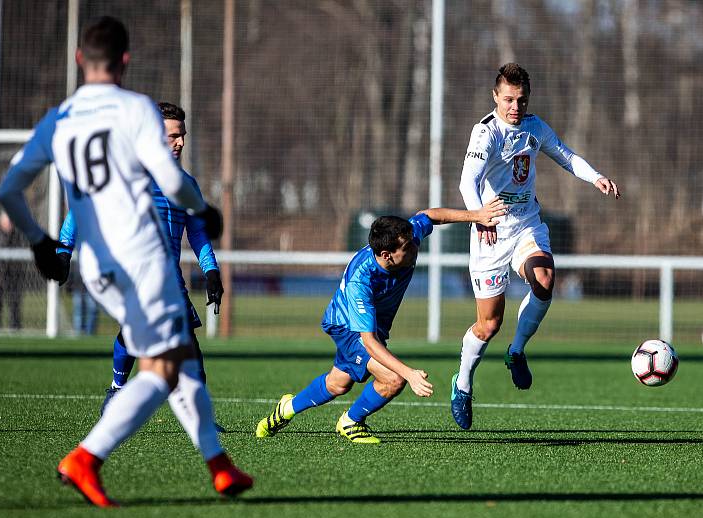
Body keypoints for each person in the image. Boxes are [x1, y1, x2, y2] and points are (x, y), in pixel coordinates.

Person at [0, 16, 251, 507]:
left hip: (96, 264)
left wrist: (42, 243)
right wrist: (204, 211)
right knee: (164, 368)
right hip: (141, 256)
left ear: (79, 60)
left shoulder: (59, 118)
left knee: (173, 357)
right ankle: (88, 457)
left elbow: (9, 191)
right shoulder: (135, 110)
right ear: (126, 61)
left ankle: (219, 466)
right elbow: (170, 179)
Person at [451, 63, 621, 430]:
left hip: (526, 224)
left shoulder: (534, 127)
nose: (515, 106)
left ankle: (517, 351)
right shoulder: (486, 134)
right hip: (490, 231)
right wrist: (479, 216)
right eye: (509, 99)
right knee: (488, 324)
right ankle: (462, 381)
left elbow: (565, 154)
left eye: (521, 100)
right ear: (495, 97)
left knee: (544, 277)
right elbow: (468, 182)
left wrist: (596, 177)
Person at [255, 199, 506, 444]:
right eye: (407, 249)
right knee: (392, 379)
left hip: (372, 328)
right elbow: (369, 342)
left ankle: (286, 408)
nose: (415, 249)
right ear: (386, 255)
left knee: (337, 384)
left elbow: (429, 216)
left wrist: (476, 215)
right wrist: (408, 374)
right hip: (348, 327)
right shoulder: (361, 282)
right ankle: (351, 421)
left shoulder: (406, 237)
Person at [55, 102, 225, 421]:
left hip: (169, 279)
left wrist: (212, 272)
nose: (181, 142)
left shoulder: (186, 184)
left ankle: (127, 391)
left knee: (183, 350)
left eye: (183, 135)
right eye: (174, 135)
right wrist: (64, 250)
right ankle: (122, 391)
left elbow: (198, 234)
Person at [0, 212, 26, 329]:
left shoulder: (17, 235)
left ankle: (15, 328)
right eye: (7, 221)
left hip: (14, 276)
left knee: (14, 306)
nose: (9, 224)